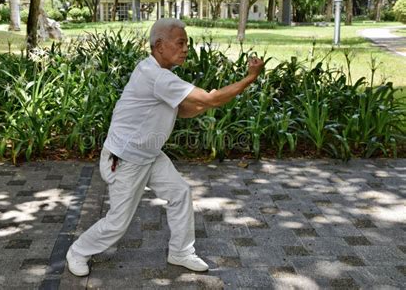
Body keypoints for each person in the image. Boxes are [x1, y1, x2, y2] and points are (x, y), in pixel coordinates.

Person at [66, 18, 264, 276]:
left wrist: (208, 102)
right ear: (159, 45)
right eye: (180, 43)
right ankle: (78, 251)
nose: (185, 49)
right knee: (117, 223)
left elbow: (184, 109)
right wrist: (248, 79)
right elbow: (210, 99)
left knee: (180, 193)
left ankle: (181, 251)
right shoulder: (156, 77)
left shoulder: (156, 73)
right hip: (125, 159)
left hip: (148, 154)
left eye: (187, 44)